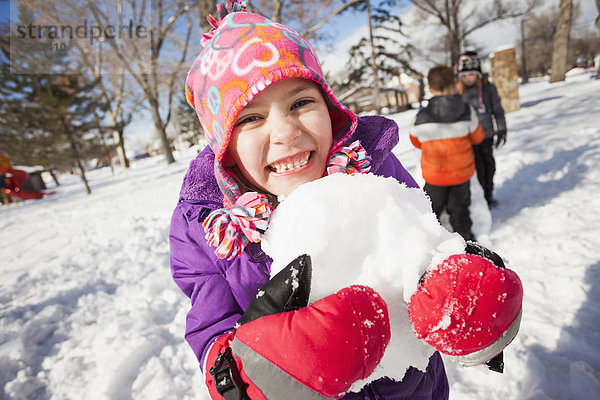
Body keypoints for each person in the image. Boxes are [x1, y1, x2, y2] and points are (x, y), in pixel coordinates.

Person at [170, 3, 523, 399]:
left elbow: (427, 243)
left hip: (413, 389)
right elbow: (211, 328)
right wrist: (251, 374)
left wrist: (471, 300)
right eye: (250, 118)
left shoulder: (368, 167)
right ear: (223, 146)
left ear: (329, 108)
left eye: (300, 103)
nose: (286, 132)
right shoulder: (206, 227)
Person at [409, 65, 484, 241]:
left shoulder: (421, 117)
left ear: (430, 88)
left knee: (431, 211)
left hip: (435, 175)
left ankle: (431, 240)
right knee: (460, 211)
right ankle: (465, 240)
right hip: (461, 174)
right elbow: (478, 137)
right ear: (454, 84)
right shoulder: (466, 111)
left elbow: (415, 141)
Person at [456, 51, 507, 208]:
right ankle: (481, 199)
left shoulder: (488, 89)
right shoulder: (459, 92)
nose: (467, 79)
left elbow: (497, 110)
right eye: (464, 76)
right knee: (478, 169)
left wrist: (501, 130)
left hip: (486, 135)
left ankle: (488, 195)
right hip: (469, 138)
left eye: (471, 75)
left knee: (489, 166)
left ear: (478, 73)